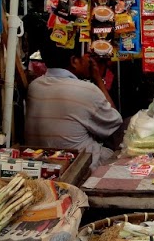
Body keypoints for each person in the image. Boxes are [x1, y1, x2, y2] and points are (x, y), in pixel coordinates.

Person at [24, 39, 124, 169]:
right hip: (79, 163)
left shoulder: (35, 86)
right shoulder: (86, 89)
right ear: (74, 61)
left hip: (41, 159)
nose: (89, 60)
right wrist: (98, 80)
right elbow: (114, 122)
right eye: (86, 56)